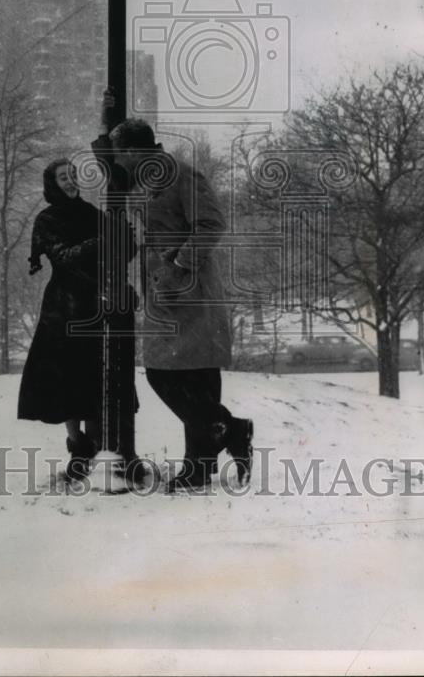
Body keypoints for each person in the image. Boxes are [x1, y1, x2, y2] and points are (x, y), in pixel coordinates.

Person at [97, 96, 254, 492]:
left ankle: (221, 440)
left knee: (183, 374)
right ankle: (213, 450)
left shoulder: (182, 175)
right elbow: (104, 159)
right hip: (165, 291)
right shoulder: (142, 178)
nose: (117, 162)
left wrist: (179, 264)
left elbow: (212, 223)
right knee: (176, 373)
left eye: (121, 154)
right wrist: (106, 121)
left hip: (192, 289)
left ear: (134, 152)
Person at [17, 158, 134, 481]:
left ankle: (94, 447)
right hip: (64, 307)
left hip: (97, 303)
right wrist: (104, 240)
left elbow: (121, 253)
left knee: (92, 377)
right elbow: (64, 257)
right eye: (63, 178)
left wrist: (126, 239)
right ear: (53, 184)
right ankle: (76, 444)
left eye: (72, 176)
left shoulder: (92, 214)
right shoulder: (47, 219)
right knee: (64, 380)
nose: (70, 182)